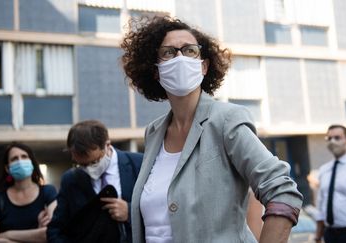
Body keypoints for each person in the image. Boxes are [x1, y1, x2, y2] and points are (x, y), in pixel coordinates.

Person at [121, 16, 303, 243]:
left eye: (189, 51)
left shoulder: (226, 119)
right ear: (156, 71)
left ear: (204, 66)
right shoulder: (154, 132)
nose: (179, 57)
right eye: (168, 52)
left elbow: (282, 190)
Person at [47, 120, 143, 242]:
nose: (88, 169)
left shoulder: (139, 165)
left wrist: (130, 212)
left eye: (94, 162)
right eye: (81, 165)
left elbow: (163, 211)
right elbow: (55, 230)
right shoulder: (70, 180)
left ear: (107, 145)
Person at [0, 142, 57, 243]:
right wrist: (36, 234)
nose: (20, 161)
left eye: (24, 156)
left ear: (31, 162)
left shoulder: (48, 192)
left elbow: (51, 233)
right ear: (7, 168)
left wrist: (7, 235)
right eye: (14, 159)